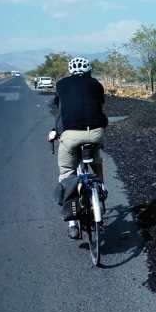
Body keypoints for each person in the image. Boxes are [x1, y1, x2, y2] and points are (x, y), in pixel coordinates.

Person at [48, 57, 108, 239]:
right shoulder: (96, 84)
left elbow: (60, 112)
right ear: (89, 71)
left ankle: (73, 223)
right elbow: (100, 106)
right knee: (96, 157)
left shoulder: (62, 85)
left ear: (70, 71)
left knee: (67, 171)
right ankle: (101, 186)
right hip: (96, 132)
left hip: (71, 134)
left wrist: (54, 131)